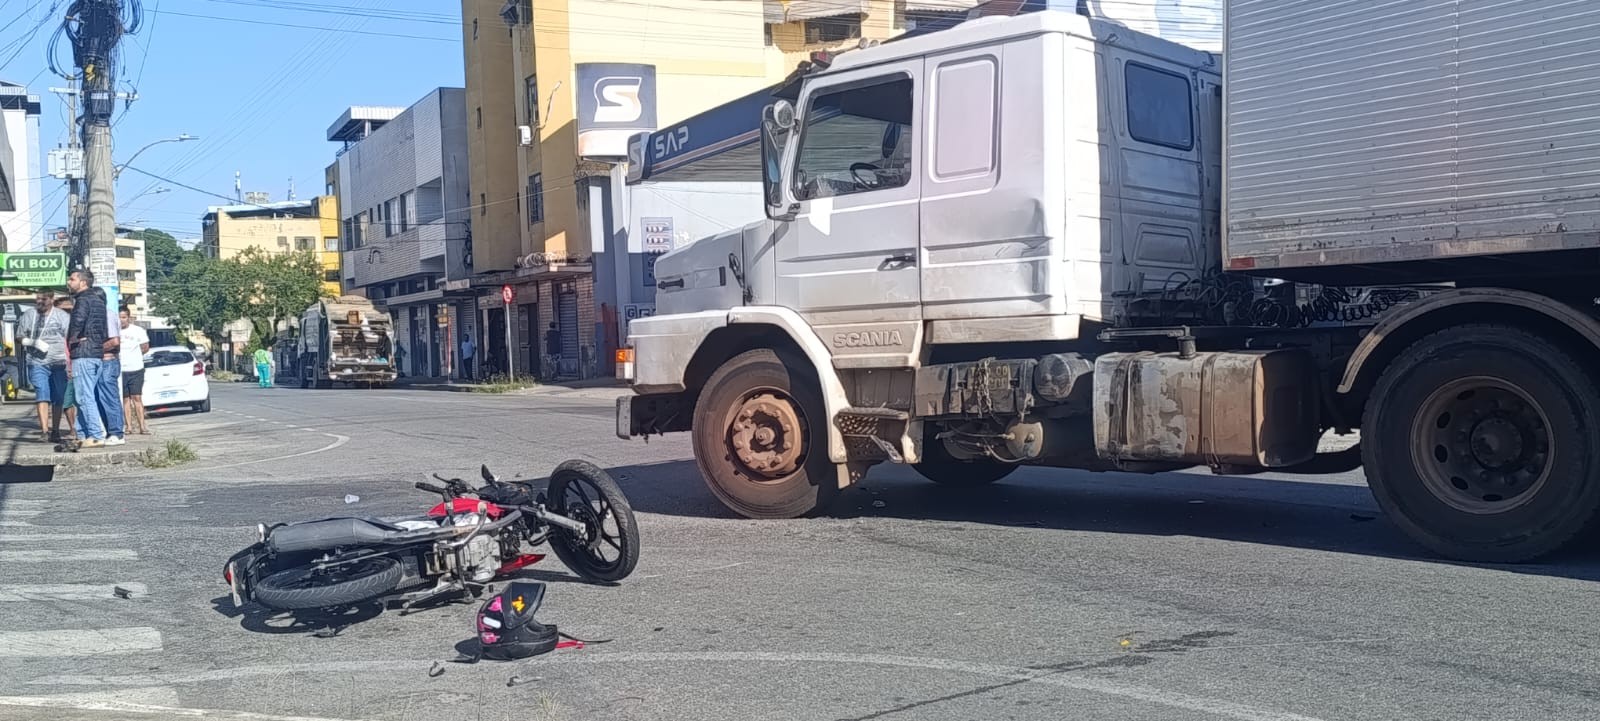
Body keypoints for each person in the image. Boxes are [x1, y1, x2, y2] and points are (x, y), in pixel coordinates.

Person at [16, 290, 70, 442]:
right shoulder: (29, 315)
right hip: (36, 361)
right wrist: (31, 342)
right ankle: (45, 430)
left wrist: (70, 361)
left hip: (58, 362)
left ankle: (56, 430)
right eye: (38, 299)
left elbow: (69, 337)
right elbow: (19, 337)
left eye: (44, 299)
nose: (40, 302)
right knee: (42, 393)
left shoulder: (62, 316)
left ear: (52, 299)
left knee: (58, 397)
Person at [65, 269, 111, 447]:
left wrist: (73, 339)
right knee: (81, 395)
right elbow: (104, 330)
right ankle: (83, 434)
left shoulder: (82, 300)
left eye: (72, 279)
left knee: (84, 396)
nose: (69, 282)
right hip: (96, 352)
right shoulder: (99, 301)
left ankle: (95, 434)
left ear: (83, 282)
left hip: (83, 353)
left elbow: (77, 321)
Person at [118, 307, 151, 435]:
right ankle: (129, 427)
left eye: (124, 317)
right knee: (125, 399)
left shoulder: (138, 331)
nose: (121, 321)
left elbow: (145, 347)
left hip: (136, 368)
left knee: (136, 397)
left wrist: (135, 355)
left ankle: (142, 426)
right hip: (121, 370)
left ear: (129, 317)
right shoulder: (114, 331)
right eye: (119, 317)